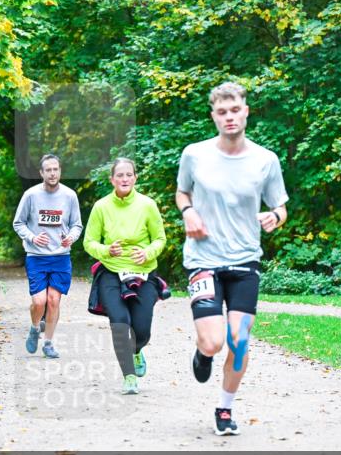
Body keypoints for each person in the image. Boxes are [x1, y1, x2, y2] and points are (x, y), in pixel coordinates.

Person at [175, 82, 288, 436]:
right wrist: (188, 212)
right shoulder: (195, 154)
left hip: (244, 262)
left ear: (245, 111)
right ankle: (203, 354)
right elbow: (181, 192)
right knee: (213, 341)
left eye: (234, 110)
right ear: (214, 116)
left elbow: (280, 206)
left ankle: (224, 409)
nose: (229, 117)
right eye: (222, 112)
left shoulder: (265, 160)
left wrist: (276, 218)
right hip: (203, 260)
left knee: (239, 343)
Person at [83, 158, 167, 394]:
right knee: (120, 323)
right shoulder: (101, 207)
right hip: (111, 272)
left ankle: (137, 350)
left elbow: (160, 239)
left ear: (135, 178)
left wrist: (148, 252)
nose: (124, 179)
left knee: (141, 330)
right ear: (112, 179)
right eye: (119, 175)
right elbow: (89, 242)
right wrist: (106, 250)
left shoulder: (147, 205)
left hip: (143, 273)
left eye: (128, 175)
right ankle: (129, 376)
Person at [12, 153, 83, 359]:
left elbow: (76, 225)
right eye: (48, 170)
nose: (52, 173)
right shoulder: (31, 195)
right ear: (42, 173)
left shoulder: (70, 196)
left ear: (60, 171)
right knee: (39, 301)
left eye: (56, 169)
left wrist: (70, 237)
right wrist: (33, 238)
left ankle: (49, 343)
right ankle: (35, 328)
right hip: (36, 256)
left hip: (61, 256)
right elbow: (18, 223)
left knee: (53, 301)